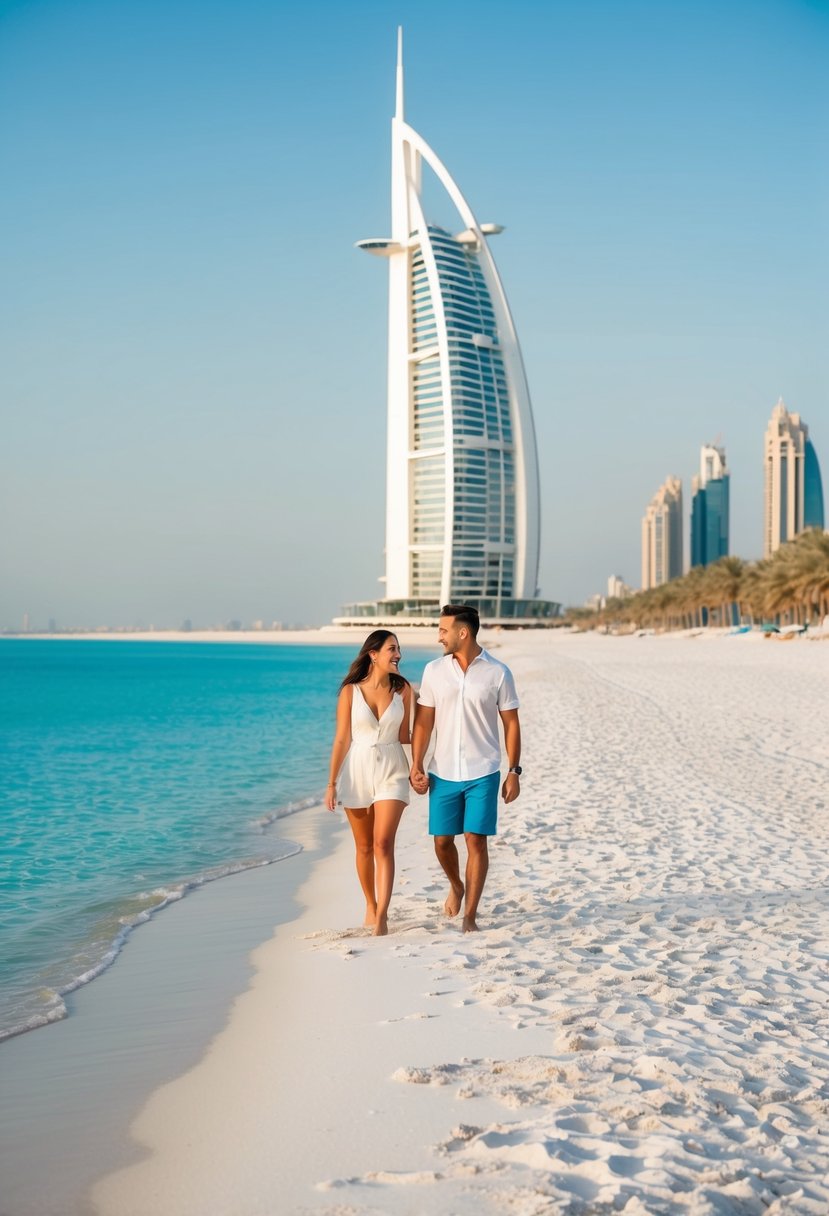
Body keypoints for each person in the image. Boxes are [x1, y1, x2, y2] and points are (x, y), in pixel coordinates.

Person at [410, 605, 521, 932]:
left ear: (464, 632)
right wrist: (416, 764)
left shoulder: (498, 672)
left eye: (443, 630)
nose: (439, 636)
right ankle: (456, 885)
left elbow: (511, 724)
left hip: (483, 770)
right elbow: (424, 722)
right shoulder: (433, 671)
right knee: (442, 841)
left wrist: (514, 771)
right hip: (442, 770)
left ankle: (470, 915)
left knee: (476, 839)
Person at [326, 630, 413, 936]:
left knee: (382, 843)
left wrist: (418, 768)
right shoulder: (350, 692)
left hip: (393, 769)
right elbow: (341, 739)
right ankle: (370, 904)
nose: (398, 654)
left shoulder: (404, 691)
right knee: (363, 847)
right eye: (392, 649)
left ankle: (383, 917)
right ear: (373, 654)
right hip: (357, 770)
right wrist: (331, 783)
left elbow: (405, 738)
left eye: (399, 649)